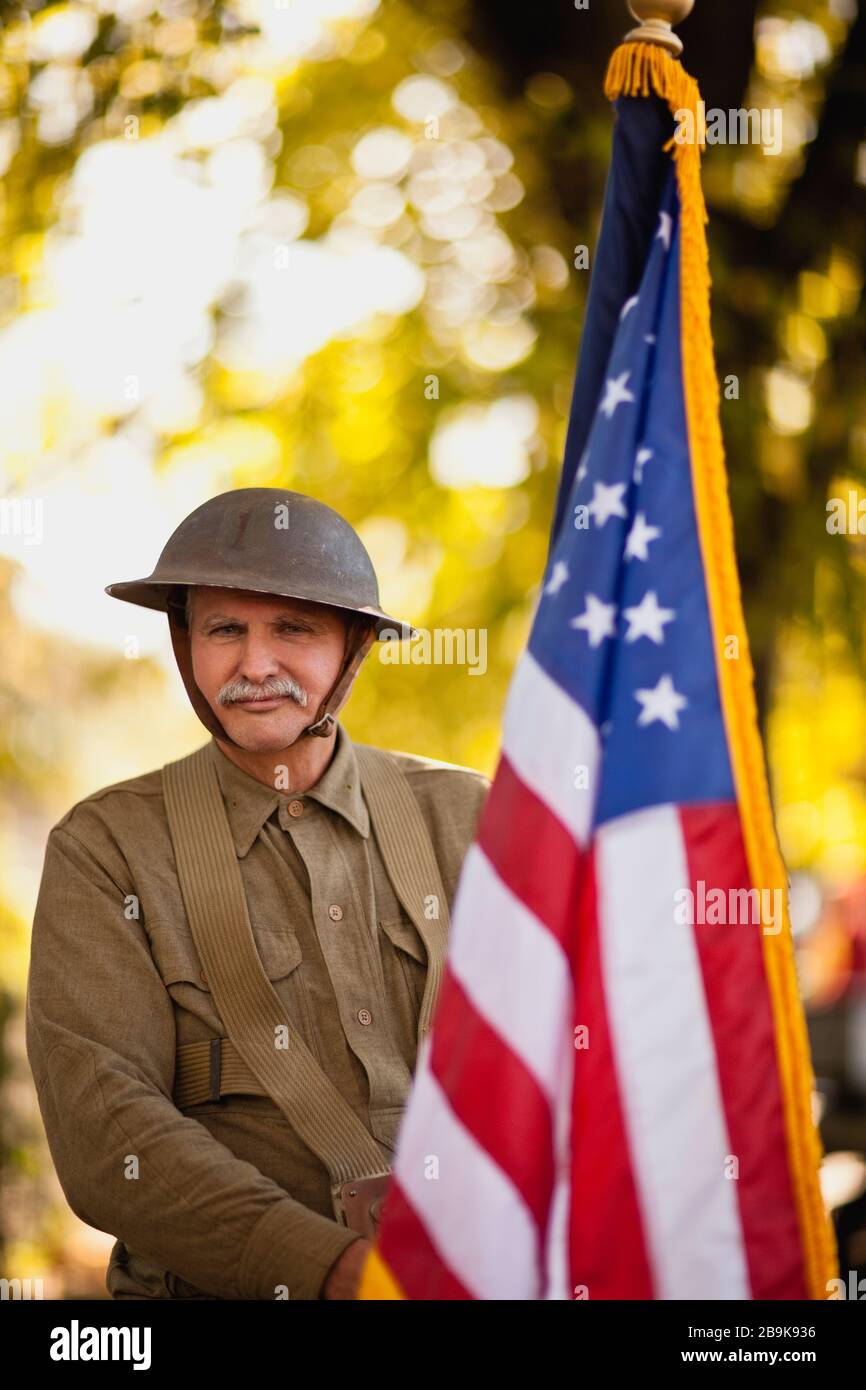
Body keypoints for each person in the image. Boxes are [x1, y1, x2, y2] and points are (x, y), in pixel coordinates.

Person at [25, 488, 489, 1301]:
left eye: (294, 629)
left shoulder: (475, 817)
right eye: (224, 630)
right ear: (185, 644)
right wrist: (332, 1271)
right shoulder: (105, 849)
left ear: (353, 647)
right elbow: (107, 1134)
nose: (256, 666)